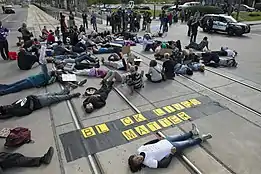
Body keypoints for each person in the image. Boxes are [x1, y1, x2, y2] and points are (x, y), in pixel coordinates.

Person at [128, 124, 212, 173]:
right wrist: (171, 154)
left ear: (135, 155)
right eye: (138, 162)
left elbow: (148, 143)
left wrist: (158, 139)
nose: (139, 159)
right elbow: (164, 165)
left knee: (181, 136)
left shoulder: (140, 149)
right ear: (140, 165)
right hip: (171, 148)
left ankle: (193, 132)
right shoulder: (149, 163)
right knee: (188, 143)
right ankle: (201, 139)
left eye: (136, 158)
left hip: (165, 141)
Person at [0, 89, 80, 118]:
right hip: (38, 102)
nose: (7, 105)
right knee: (55, 98)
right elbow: (29, 110)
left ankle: (65, 91)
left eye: (5, 105)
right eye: (6, 107)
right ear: (7, 111)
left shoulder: (13, 105)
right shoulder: (16, 111)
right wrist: (30, 99)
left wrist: (30, 97)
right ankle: (71, 95)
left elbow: (22, 100)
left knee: (53, 94)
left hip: (36, 97)